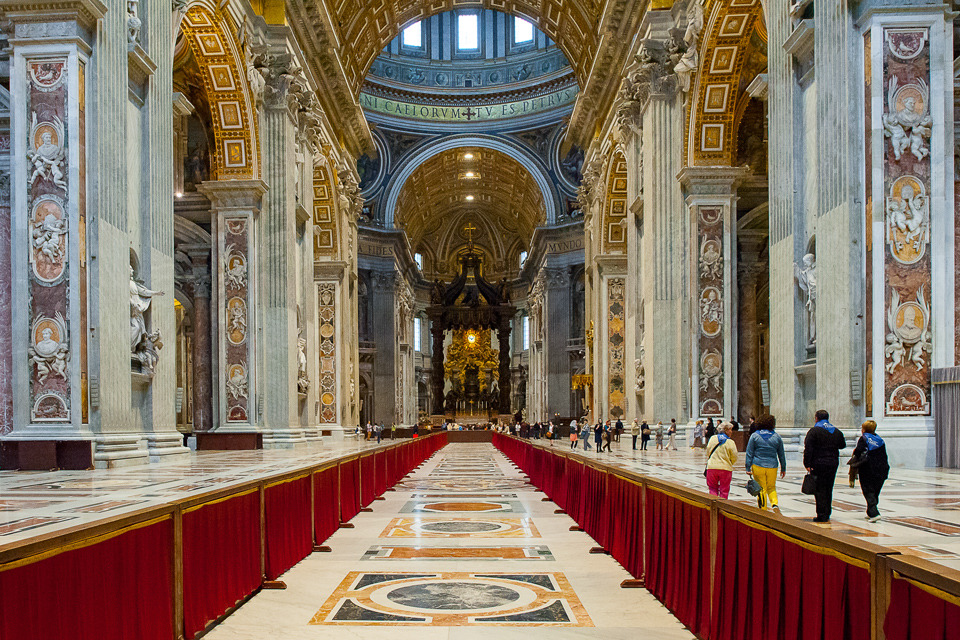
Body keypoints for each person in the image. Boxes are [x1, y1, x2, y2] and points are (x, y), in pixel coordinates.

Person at [803, 409, 847, 523]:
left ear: (816, 418)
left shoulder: (814, 431)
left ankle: (821, 514)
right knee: (829, 487)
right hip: (832, 463)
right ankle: (827, 512)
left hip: (818, 463)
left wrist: (807, 463)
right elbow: (842, 445)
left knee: (820, 489)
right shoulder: (836, 431)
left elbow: (808, 448)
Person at [745, 414, 786, 511]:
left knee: (762, 488)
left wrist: (747, 467)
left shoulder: (754, 436)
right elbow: (781, 454)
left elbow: (749, 453)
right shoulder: (777, 437)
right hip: (772, 465)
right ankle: (774, 504)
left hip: (758, 465)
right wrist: (783, 468)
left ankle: (763, 508)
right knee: (771, 487)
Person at [850, 420, 890, 522]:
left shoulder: (863, 439)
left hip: (868, 469)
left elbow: (858, 452)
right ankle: (870, 511)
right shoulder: (880, 439)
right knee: (875, 491)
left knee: (868, 490)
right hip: (882, 468)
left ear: (863, 429)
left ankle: (874, 513)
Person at [705, 421, 738, 498]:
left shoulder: (713, 438)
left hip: (712, 468)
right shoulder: (730, 442)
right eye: (730, 429)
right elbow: (734, 456)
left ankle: (713, 507)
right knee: (724, 490)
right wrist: (729, 463)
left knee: (712, 489)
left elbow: (708, 452)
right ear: (726, 430)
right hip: (725, 468)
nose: (731, 432)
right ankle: (722, 508)